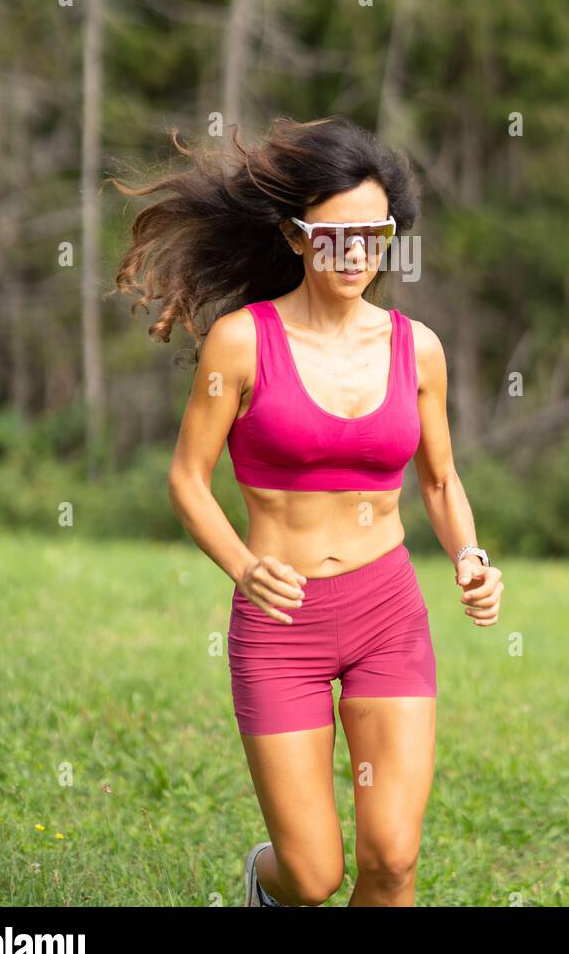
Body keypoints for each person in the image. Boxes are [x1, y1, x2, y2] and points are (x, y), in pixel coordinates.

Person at [112, 114, 503, 907]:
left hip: (387, 612)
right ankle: (266, 880)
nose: (356, 254)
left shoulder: (416, 348)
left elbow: (439, 478)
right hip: (280, 622)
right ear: (295, 237)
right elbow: (188, 478)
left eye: (374, 235)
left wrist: (470, 555)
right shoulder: (241, 342)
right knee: (315, 877)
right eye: (335, 236)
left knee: (392, 862)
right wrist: (244, 567)